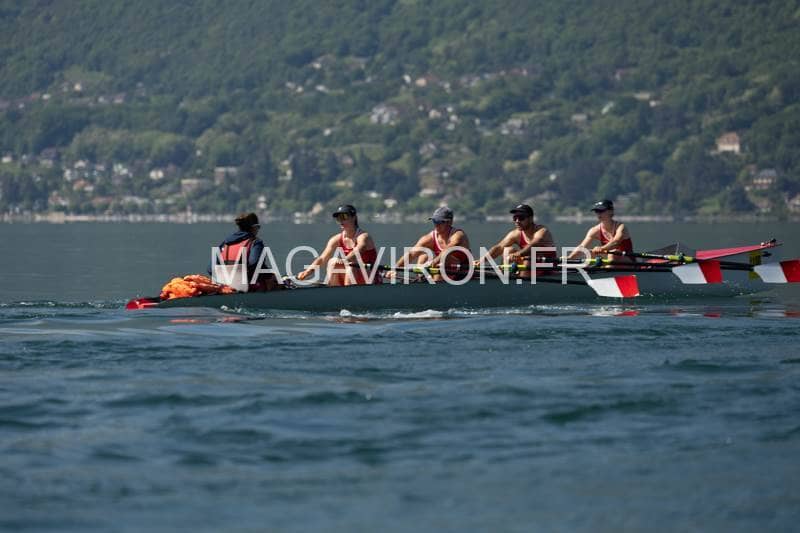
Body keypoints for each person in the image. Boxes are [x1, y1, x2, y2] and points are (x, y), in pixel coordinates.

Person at [296, 204, 380, 285]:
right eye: (338, 218)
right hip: (353, 277)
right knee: (332, 262)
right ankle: (335, 291)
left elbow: (360, 248)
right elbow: (322, 259)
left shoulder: (364, 236)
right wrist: (307, 271)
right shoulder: (336, 239)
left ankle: (347, 291)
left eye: (344, 217)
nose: (341, 221)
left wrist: (346, 260)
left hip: (369, 278)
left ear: (354, 217)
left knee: (351, 266)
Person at [387, 206, 471, 281]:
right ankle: (422, 280)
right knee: (423, 255)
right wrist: (395, 269)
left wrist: (432, 263)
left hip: (463, 274)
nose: (436, 225)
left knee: (443, 259)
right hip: (444, 271)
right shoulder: (429, 238)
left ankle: (433, 285)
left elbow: (446, 251)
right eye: (434, 221)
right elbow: (411, 254)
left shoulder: (458, 235)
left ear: (449, 222)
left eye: (439, 221)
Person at [476, 204, 557, 276]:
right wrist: (481, 261)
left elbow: (533, 245)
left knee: (528, 258)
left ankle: (521, 282)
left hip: (548, 267)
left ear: (530, 219)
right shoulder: (516, 234)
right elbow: (499, 248)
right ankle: (506, 278)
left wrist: (518, 254)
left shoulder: (542, 231)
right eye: (515, 218)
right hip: (530, 266)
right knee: (508, 250)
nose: (517, 221)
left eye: (521, 218)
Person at [209, 212, 281, 291]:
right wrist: (271, 276)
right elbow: (255, 264)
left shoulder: (224, 244)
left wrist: (225, 280)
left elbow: (210, 269)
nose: (258, 230)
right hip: (248, 288)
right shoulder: (255, 242)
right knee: (275, 281)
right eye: (258, 227)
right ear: (254, 227)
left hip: (226, 288)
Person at [567, 199, 634, 262]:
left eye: (601, 211)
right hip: (612, 261)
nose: (598, 214)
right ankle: (591, 269)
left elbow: (616, 242)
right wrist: (569, 258)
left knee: (613, 253)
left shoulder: (621, 227)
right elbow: (582, 247)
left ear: (610, 211)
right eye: (597, 211)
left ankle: (606, 269)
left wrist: (602, 248)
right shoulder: (594, 230)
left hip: (628, 261)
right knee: (591, 253)